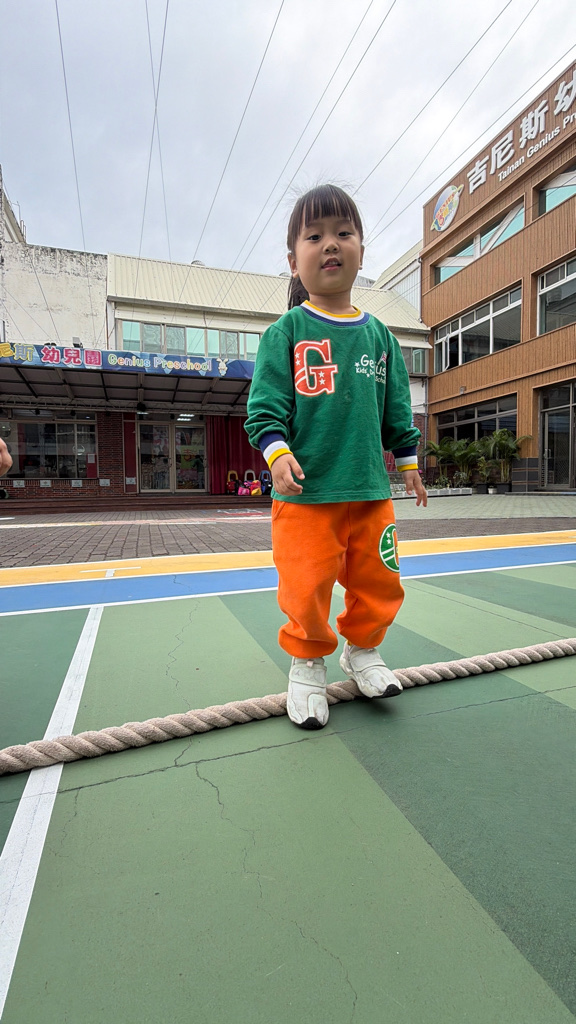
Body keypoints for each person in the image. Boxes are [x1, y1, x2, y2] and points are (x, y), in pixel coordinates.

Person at [245, 184, 427, 730]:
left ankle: (362, 650)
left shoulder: (381, 337)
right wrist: (276, 453)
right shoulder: (286, 332)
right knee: (306, 587)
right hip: (307, 496)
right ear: (293, 261)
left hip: (370, 492)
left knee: (379, 582)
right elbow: (264, 408)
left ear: (361, 252)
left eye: (343, 233)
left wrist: (410, 464)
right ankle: (307, 662)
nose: (330, 244)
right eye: (314, 235)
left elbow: (397, 409)